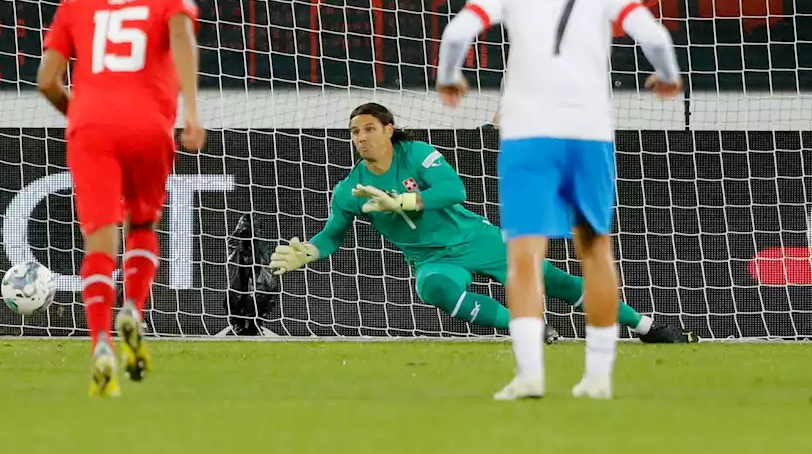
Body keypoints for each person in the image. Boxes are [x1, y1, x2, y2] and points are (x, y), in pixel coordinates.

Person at [435, 0, 683, 401]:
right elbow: (655, 36)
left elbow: (458, 33)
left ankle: (529, 374)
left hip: (528, 132)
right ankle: (596, 376)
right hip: (588, 131)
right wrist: (665, 77)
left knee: (523, 256)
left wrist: (451, 76)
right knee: (595, 252)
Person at [268, 103, 694, 345]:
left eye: (368, 129)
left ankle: (647, 327)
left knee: (556, 281)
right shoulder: (349, 189)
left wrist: (402, 199)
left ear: (389, 130)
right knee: (432, 287)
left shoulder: (417, 153)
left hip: (476, 238)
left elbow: (455, 190)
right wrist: (311, 251)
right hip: (431, 256)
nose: (360, 138)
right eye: (354, 132)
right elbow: (332, 235)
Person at [38, 0, 205, 398]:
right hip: (149, 126)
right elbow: (182, 41)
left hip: (91, 127)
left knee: (99, 237)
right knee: (143, 224)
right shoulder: (170, 3)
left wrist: (84, 118)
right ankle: (133, 305)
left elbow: (47, 79)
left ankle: (100, 344)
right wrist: (191, 113)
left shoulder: (76, 6)